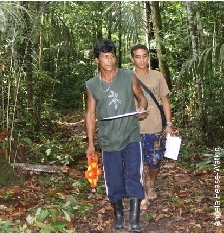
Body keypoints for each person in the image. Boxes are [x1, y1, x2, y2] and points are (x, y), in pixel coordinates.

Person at [85, 39, 148, 233]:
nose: (110, 60)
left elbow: (141, 98)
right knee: (113, 179)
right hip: (108, 138)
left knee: (133, 175)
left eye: (112, 55)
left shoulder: (129, 76)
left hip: (130, 134)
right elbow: (90, 114)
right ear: (97, 60)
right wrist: (91, 144)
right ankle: (119, 213)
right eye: (105, 56)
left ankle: (135, 219)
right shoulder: (92, 85)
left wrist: (142, 109)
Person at [130, 44, 174, 210]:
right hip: (134, 128)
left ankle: (151, 183)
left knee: (155, 161)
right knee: (138, 162)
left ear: (148, 56)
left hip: (155, 127)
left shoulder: (157, 76)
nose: (142, 60)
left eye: (144, 56)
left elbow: (165, 100)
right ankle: (143, 193)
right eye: (138, 57)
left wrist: (168, 124)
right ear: (132, 58)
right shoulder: (128, 77)